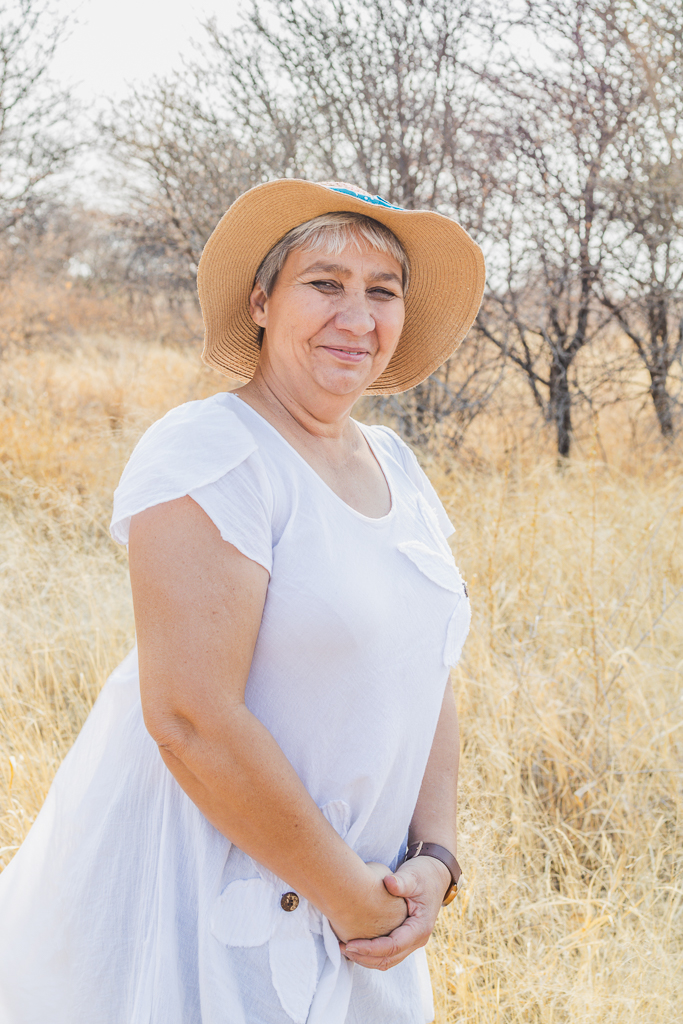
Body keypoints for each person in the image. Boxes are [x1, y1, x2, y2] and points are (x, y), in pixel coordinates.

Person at [0, 179, 485, 1024]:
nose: (356, 316)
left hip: (365, 910)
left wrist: (435, 862)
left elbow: (425, 669)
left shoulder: (395, 464)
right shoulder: (211, 449)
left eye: (382, 291)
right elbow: (190, 718)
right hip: (219, 905)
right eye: (324, 283)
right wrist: (351, 898)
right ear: (261, 301)